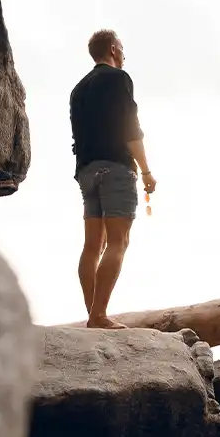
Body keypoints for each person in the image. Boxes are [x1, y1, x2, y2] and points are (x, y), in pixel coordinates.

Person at [69, 29, 156, 329]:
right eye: (122, 46)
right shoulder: (119, 79)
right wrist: (145, 170)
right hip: (116, 168)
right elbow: (129, 127)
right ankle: (99, 315)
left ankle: (94, 313)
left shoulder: (78, 89)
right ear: (114, 48)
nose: (124, 52)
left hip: (86, 171)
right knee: (118, 241)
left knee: (92, 245)